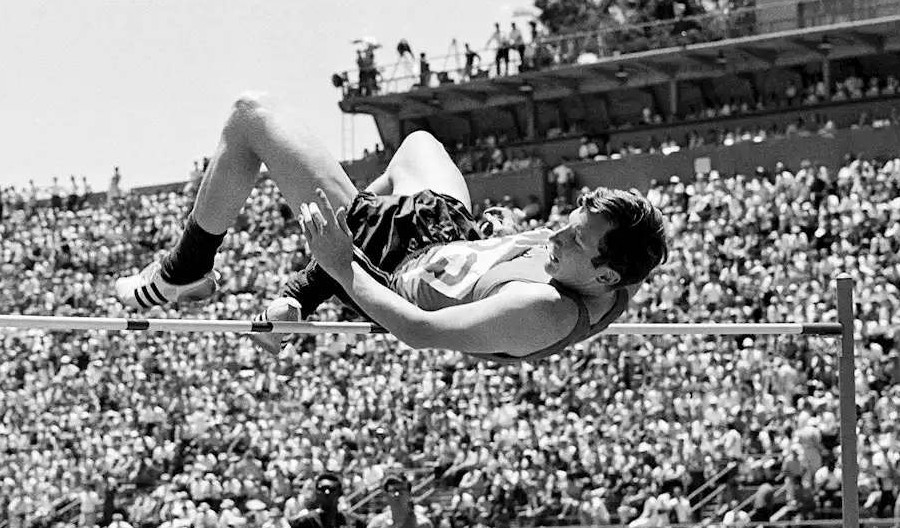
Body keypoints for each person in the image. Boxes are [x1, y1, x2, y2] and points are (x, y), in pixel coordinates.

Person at [113, 93, 668, 359]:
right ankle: (308, 289)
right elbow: (644, 236)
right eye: (568, 223)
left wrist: (339, 267)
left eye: (574, 239)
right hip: (451, 236)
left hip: (392, 263)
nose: (556, 234)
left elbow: (420, 333)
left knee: (250, 119)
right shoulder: (618, 270)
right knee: (418, 145)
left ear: (604, 276)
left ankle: (185, 271)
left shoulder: (541, 311)